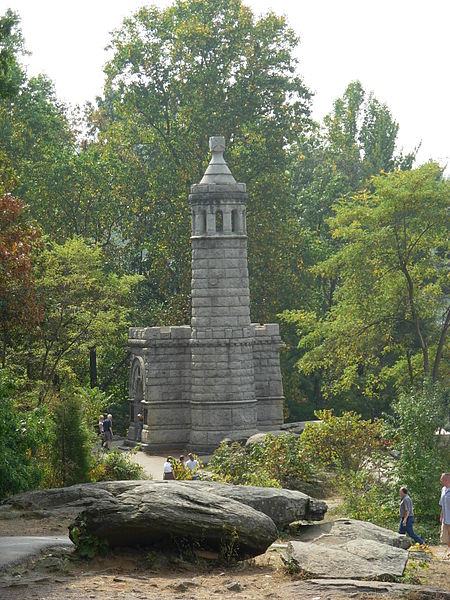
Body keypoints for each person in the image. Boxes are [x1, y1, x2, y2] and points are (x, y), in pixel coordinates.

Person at [439, 473, 450, 557]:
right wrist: (441, 515)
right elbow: (442, 504)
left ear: (447, 480)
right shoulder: (443, 489)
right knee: (444, 537)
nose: (440, 480)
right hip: (445, 518)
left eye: (441, 479)